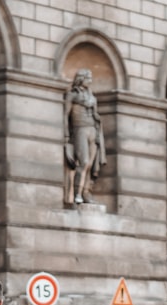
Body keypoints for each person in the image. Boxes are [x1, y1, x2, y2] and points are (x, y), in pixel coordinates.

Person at [64, 68, 106, 205]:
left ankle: (86, 193)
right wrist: (65, 133)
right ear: (81, 79)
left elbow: (96, 115)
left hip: (92, 130)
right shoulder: (72, 95)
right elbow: (65, 115)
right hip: (80, 129)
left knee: (91, 165)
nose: (91, 81)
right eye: (88, 78)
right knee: (84, 162)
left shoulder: (92, 96)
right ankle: (77, 194)